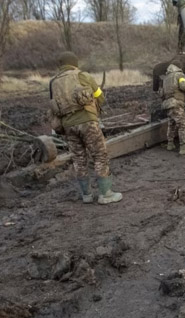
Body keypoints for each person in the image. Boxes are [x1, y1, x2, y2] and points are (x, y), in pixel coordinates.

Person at [49, 51, 122, 205]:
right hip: (87, 122)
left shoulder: (53, 82)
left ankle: (86, 195)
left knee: (79, 160)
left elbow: (53, 105)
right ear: (75, 63)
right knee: (100, 155)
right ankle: (105, 194)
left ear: (60, 65)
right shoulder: (82, 75)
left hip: (68, 126)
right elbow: (100, 96)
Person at [161, 64, 185, 156]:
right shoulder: (179, 75)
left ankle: (170, 144)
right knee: (182, 126)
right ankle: (183, 148)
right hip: (176, 104)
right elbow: (183, 85)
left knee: (171, 124)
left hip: (168, 105)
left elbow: (161, 94)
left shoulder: (166, 79)